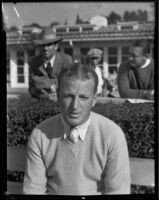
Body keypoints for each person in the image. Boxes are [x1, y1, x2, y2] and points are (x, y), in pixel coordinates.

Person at [23, 63, 130, 195]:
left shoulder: (112, 135)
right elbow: (33, 190)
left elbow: (118, 191)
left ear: (94, 99)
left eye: (83, 97)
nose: (75, 106)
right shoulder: (40, 135)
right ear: (58, 95)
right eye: (68, 96)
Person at [29, 26, 73, 101]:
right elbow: (31, 89)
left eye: (49, 45)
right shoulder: (34, 62)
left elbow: (73, 85)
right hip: (43, 105)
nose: (45, 48)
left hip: (64, 104)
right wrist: (44, 97)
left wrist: (59, 95)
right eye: (43, 45)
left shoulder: (66, 60)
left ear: (56, 46)